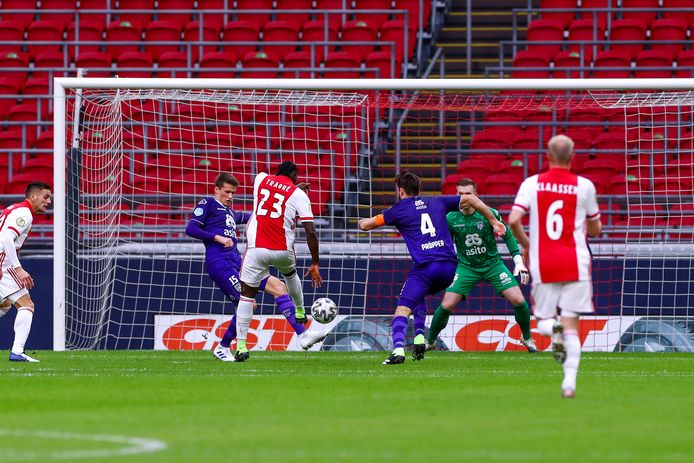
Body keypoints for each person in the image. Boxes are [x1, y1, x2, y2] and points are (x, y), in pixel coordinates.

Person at [358, 172, 506, 365]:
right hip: (449, 268)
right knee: (418, 295)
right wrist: (494, 221)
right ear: (419, 189)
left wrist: (362, 222)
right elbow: (471, 198)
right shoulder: (437, 202)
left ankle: (398, 351)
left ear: (400, 191)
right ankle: (419, 337)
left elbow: (366, 225)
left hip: (426, 268)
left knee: (402, 308)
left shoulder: (397, 210)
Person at [508, 134, 602, 399]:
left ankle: (554, 330)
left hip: (544, 261)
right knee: (572, 323)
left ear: (548, 156)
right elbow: (595, 228)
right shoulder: (584, 185)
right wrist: (591, 225)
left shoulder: (532, 184)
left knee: (543, 323)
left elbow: (514, 219)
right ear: (573, 157)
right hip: (576, 262)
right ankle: (569, 384)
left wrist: (527, 243)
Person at [185, 172, 313, 362]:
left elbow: (260, 213)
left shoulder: (230, 213)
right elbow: (191, 228)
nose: (230, 197)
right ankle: (223, 347)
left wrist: (292, 194)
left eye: (233, 193)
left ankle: (303, 335)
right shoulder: (208, 204)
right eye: (226, 192)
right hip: (220, 264)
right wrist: (217, 237)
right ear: (216, 190)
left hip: (237, 262)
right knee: (249, 302)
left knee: (279, 286)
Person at [425, 178, 538, 353]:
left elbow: (507, 234)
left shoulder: (489, 214)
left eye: (468, 194)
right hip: (466, 267)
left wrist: (518, 261)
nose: (464, 197)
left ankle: (527, 337)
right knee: (446, 305)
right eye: (460, 194)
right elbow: (443, 242)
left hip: (493, 265)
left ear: (476, 194)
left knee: (519, 300)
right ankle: (430, 341)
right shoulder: (450, 218)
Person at [234, 161, 327, 362]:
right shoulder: (298, 194)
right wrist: (315, 262)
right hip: (283, 250)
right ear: (294, 176)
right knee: (290, 275)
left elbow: (273, 191)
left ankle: (241, 345)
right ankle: (300, 311)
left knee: (247, 295)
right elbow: (310, 231)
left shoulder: (261, 179)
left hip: (256, 249)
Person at [0, 182, 52, 362]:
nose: (49, 201)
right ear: (33, 197)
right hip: (3, 265)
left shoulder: (14, 209)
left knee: (4, 305)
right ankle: (17, 351)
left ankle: (17, 351)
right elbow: (6, 237)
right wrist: (18, 268)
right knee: (27, 305)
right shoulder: (24, 214)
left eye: (50, 198)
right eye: (45, 197)